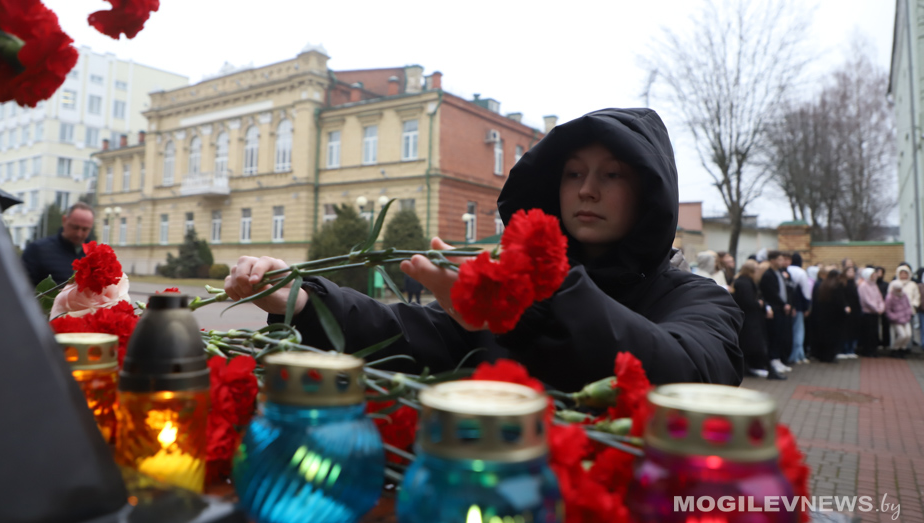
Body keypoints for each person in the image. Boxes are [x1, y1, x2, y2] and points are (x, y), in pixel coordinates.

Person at [224, 108, 744, 391]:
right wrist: (304, 300)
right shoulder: (518, 293)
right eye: (573, 173)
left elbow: (688, 373)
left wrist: (532, 300)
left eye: (611, 174)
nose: (587, 190)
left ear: (649, 194)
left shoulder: (699, 301)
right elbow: (416, 334)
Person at [21, 202, 95, 286]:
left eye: (85, 229)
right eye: (75, 227)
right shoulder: (36, 250)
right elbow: (22, 288)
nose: (79, 234)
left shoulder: (94, 256)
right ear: (64, 220)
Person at [732, 259, 782, 379]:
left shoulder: (743, 281)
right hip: (750, 321)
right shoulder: (745, 283)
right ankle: (770, 371)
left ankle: (751, 369)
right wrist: (759, 304)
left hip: (749, 320)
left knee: (750, 346)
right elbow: (749, 302)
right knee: (758, 346)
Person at [759, 250, 793, 374]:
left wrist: (787, 303)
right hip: (775, 309)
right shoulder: (768, 275)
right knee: (774, 335)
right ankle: (773, 360)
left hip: (782, 308)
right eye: (779, 259)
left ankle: (778, 359)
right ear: (772, 260)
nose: (782, 262)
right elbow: (771, 293)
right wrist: (783, 304)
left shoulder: (779, 272)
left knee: (780, 335)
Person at [812, 269, 848, 363]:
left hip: (823, 315)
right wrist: (845, 311)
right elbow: (840, 302)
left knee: (824, 336)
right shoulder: (837, 286)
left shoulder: (823, 285)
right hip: (835, 317)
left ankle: (822, 356)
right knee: (834, 337)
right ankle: (830, 356)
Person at [785, 252, 811, 364]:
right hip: (799, 306)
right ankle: (797, 355)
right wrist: (807, 306)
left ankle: (795, 354)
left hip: (787, 305)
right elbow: (806, 292)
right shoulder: (801, 272)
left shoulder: (787, 270)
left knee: (790, 331)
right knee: (799, 330)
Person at [889, 263, 920, 349]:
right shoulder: (894, 283)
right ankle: (895, 348)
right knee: (899, 333)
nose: (903, 275)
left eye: (905, 273)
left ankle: (905, 348)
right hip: (897, 312)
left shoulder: (913, 284)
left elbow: (916, 297)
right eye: (901, 273)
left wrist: (914, 306)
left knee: (909, 333)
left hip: (909, 311)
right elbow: (889, 298)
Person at [857, 267, 885, 357]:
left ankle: (874, 350)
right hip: (867, 313)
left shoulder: (874, 285)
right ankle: (867, 351)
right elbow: (866, 300)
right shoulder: (863, 286)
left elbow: (879, 298)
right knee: (868, 333)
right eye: (872, 275)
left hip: (875, 313)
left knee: (874, 333)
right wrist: (877, 308)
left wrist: (881, 307)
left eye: (874, 275)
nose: (874, 277)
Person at [885, 283, 914, 357]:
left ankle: (902, 348)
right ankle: (895, 349)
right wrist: (894, 317)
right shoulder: (890, 297)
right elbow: (888, 310)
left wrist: (908, 314)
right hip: (897, 320)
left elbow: (908, 306)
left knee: (908, 334)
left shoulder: (904, 295)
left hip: (906, 318)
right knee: (902, 335)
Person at [840, 265, 861, 358]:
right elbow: (842, 296)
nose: (852, 273)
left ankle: (851, 350)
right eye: (849, 272)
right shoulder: (843, 283)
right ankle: (844, 350)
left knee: (853, 331)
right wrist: (845, 306)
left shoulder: (854, 284)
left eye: (853, 272)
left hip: (855, 310)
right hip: (846, 311)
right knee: (846, 331)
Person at [876, 267, 891, 349]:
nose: (878, 274)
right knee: (876, 326)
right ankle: (877, 341)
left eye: (880, 272)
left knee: (885, 325)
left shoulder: (886, 284)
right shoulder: (873, 284)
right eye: (877, 272)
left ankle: (886, 342)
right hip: (874, 307)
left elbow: (888, 295)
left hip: (885, 306)